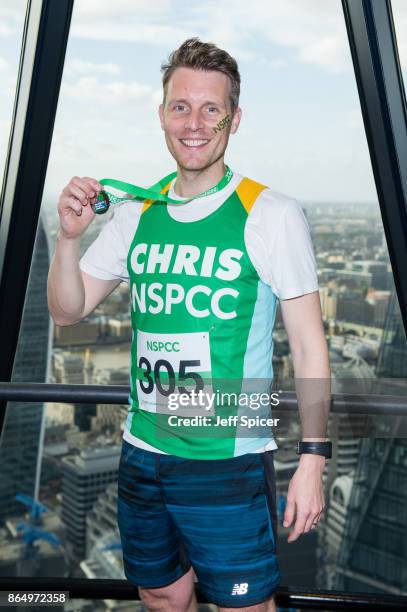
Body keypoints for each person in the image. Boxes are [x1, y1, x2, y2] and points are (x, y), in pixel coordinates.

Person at [48, 37, 331, 612]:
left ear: (234, 118)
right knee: (160, 594)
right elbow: (67, 310)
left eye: (211, 108)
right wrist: (69, 238)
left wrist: (313, 460)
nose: (194, 123)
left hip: (228, 457)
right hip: (141, 449)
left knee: (246, 607)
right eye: (181, 107)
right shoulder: (136, 213)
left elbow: (309, 347)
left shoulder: (271, 214)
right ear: (162, 115)